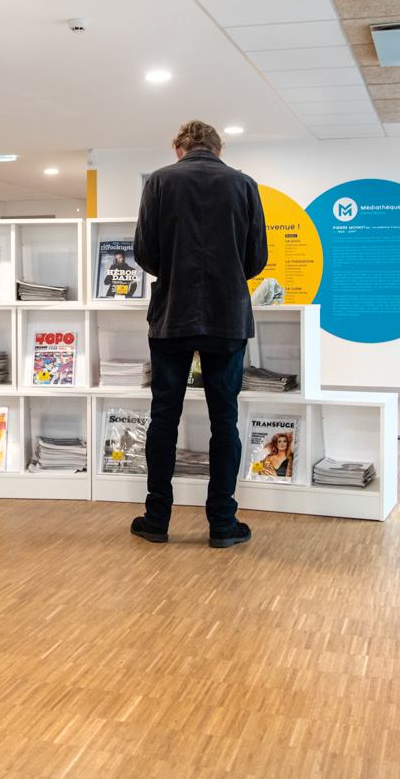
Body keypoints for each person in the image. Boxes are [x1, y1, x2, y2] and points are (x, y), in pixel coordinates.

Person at [130, 120, 268, 549]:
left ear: (178, 148)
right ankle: (223, 523)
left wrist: (175, 270)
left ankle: (156, 520)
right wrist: (226, 274)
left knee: (163, 418)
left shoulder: (158, 182)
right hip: (228, 317)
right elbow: (256, 258)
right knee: (224, 420)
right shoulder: (244, 184)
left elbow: (144, 253)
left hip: (172, 314)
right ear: (219, 148)